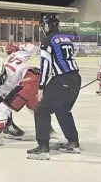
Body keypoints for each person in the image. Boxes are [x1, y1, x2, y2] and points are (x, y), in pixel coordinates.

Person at [28, 13, 81, 160]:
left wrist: (41, 86)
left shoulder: (47, 40)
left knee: (41, 109)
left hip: (62, 80)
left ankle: (43, 147)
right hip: (75, 79)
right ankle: (73, 142)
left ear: (46, 26)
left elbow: (45, 65)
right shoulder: (66, 39)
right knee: (63, 110)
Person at [0, 43, 38, 147]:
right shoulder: (7, 64)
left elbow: (32, 48)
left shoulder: (11, 68)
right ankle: (48, 131)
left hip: (29, 81)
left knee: (5, 106)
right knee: (37, 108)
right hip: (36, 80)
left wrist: (18, 46)